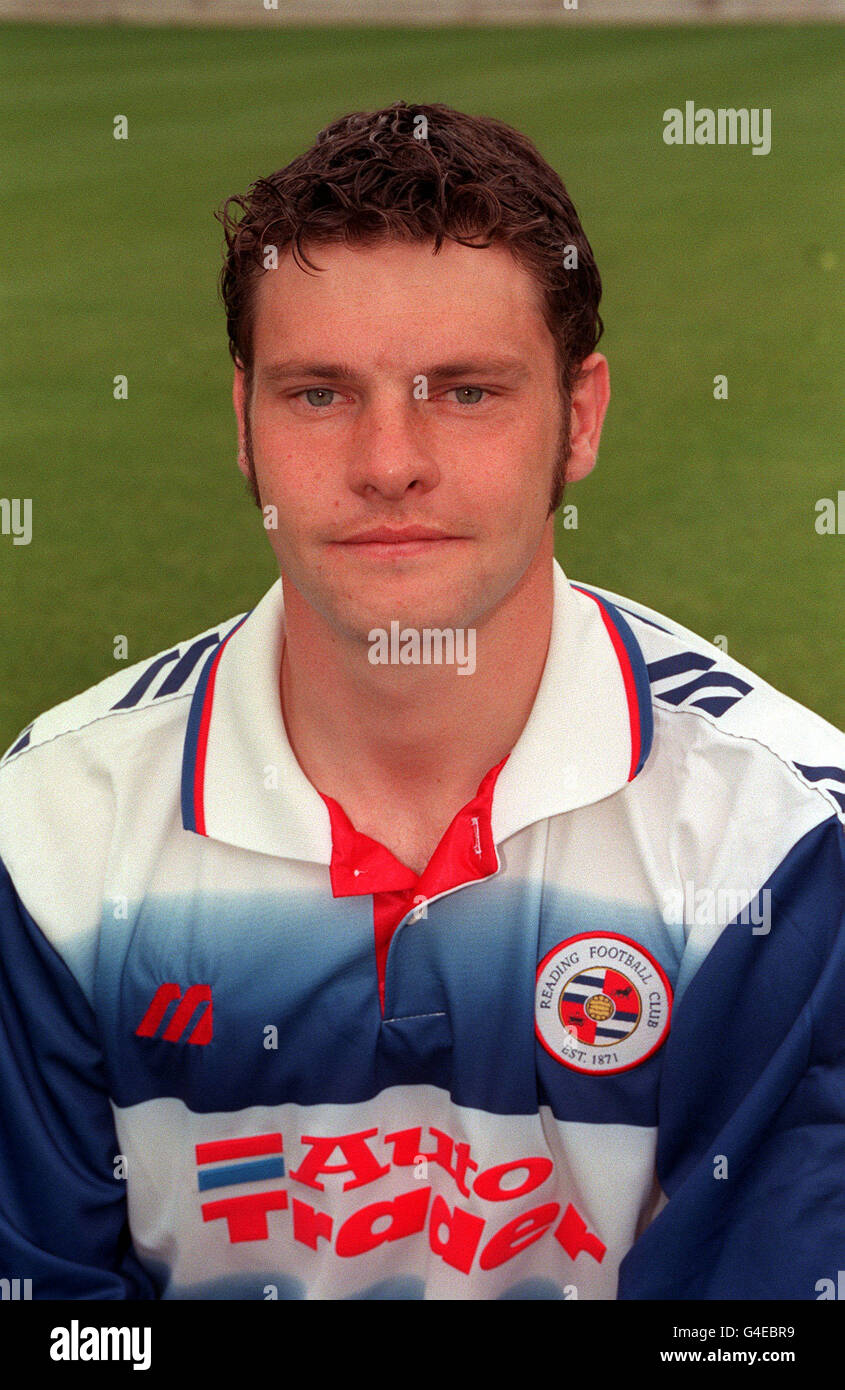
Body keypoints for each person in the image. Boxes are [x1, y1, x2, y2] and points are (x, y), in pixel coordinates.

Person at [0, 101, 842, 1302]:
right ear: (243, 423)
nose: (389, 461)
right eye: (318, 393)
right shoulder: (51, 838)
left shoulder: (778, 844)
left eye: (464, 391)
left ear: (580, 414)